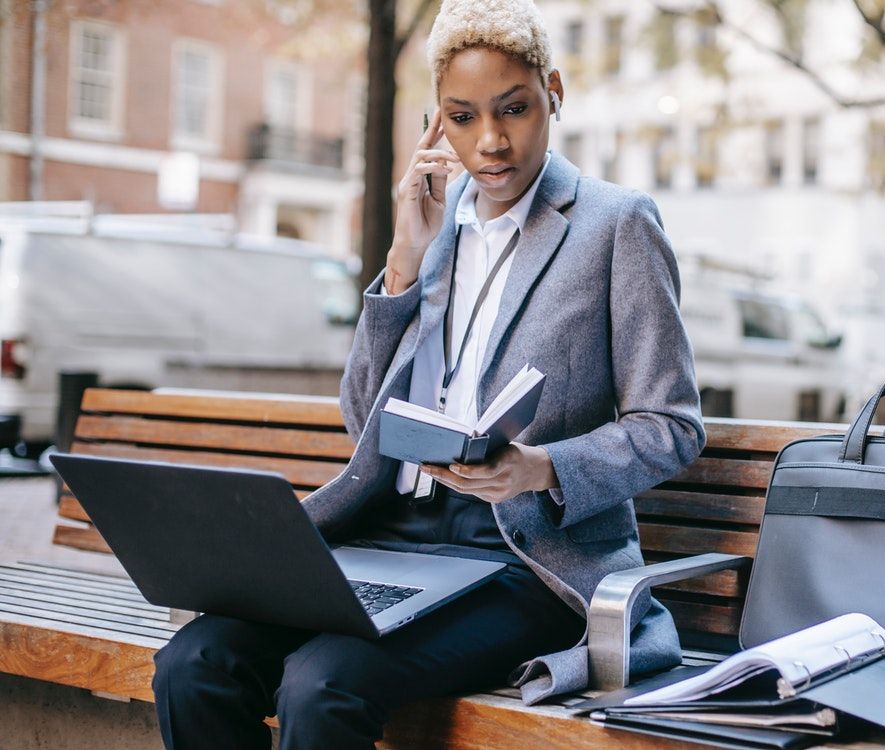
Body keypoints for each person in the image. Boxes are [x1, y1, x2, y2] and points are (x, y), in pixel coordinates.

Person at [149, 0, 705, 748]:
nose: (493, 142)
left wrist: (541, 468)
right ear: (436, 123)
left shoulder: (616, 225)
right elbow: (360, 418)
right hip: (390, 538)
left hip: (519, 558)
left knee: (322, 683)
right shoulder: (434, 226)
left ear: (555, 95)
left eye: (514, 109)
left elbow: (671, 425)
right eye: (464, 117)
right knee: (193, 663)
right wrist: (404, 262)